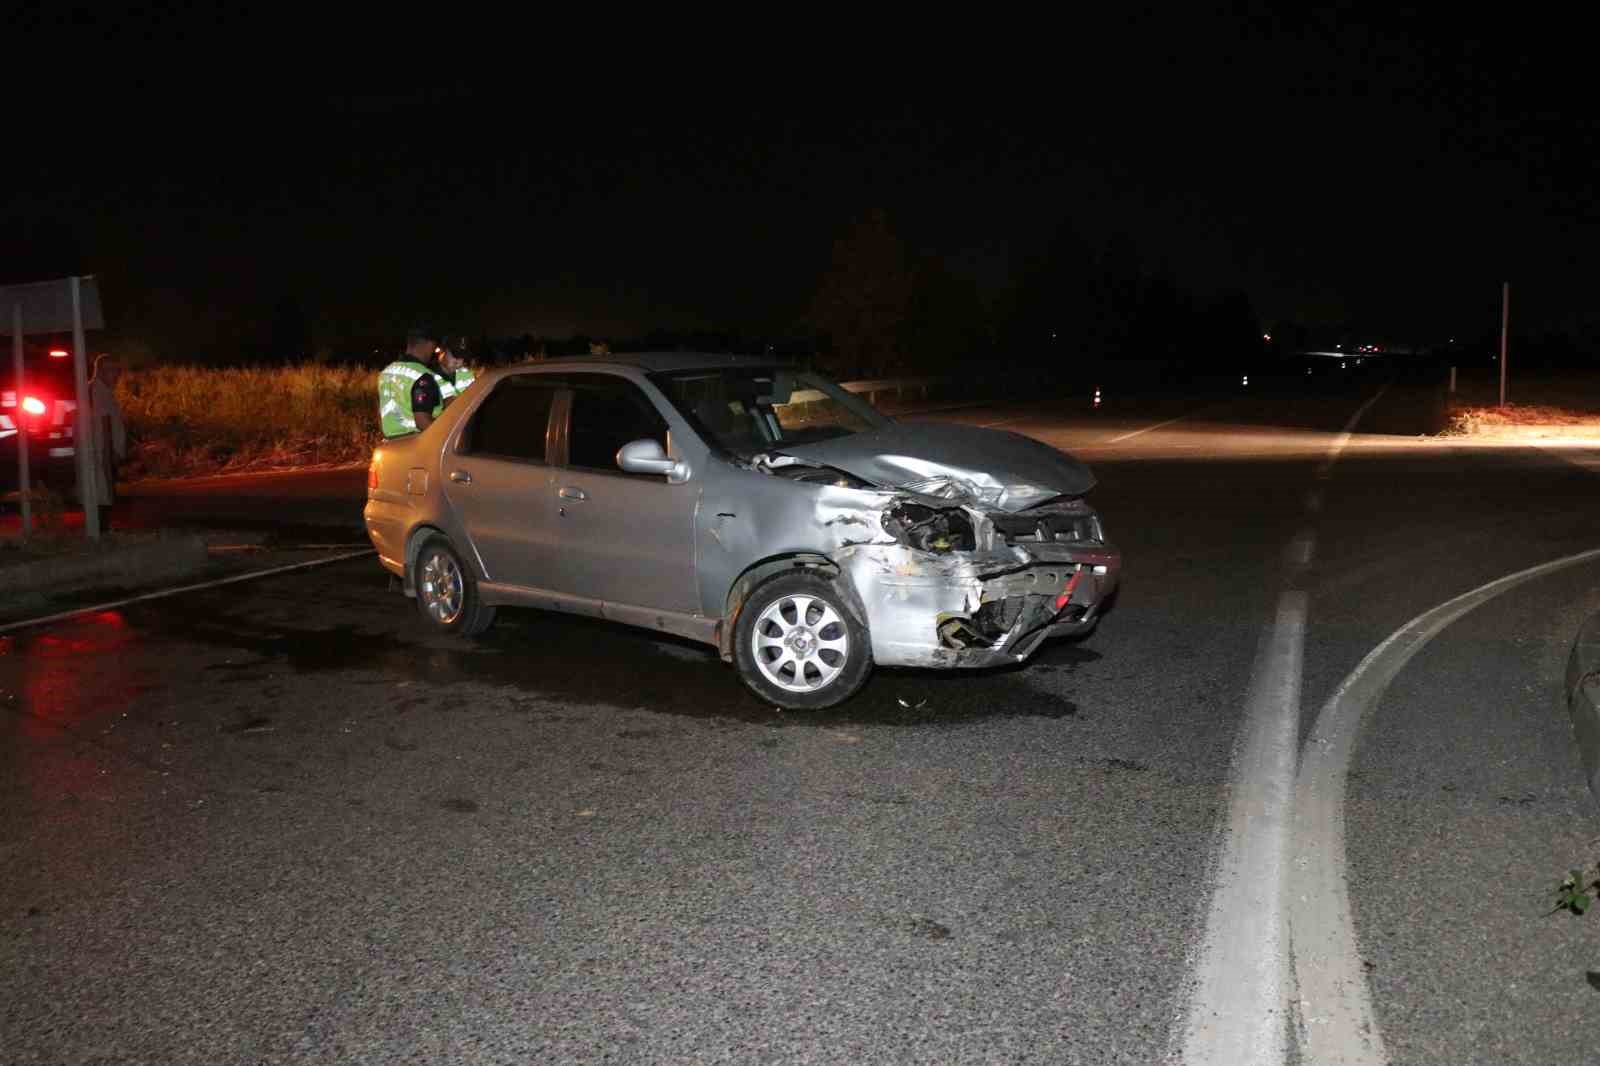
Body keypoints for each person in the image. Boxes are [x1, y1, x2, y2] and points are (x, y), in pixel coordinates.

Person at [378, 328, 476, 438]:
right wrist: (446, 438)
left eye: (464, 357)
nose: (459, 361)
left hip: (394, 442)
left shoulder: (386, 372)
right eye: (455, 355)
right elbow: (423, 421)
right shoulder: (424, 375)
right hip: (422, 439)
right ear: (440, 350)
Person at [88, 356, 128, 509]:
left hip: (106, 452)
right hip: (103, 452)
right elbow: (102, 425)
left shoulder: (104, 391)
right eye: (112, 370)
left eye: (118, 370)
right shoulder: (97, 392)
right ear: (100, 372)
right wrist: (110, 452)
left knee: (104, 494)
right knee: (103, 494)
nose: (117, 374)